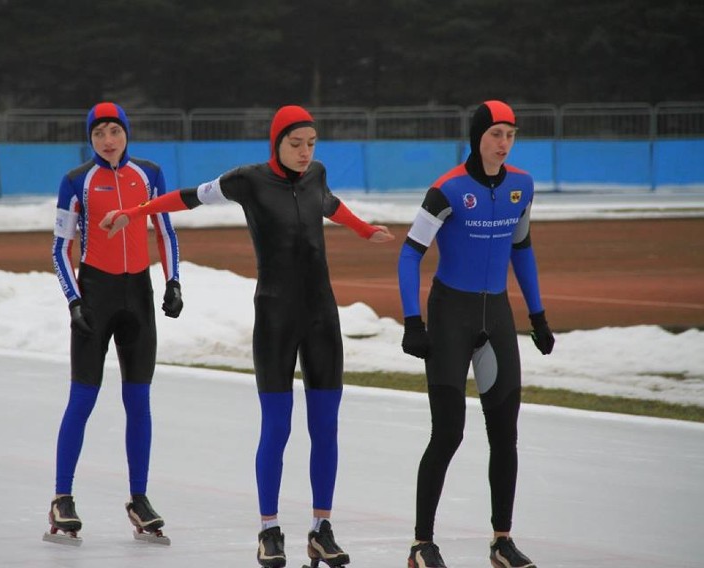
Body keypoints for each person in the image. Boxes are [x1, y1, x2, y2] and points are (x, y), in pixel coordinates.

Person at [100, 105, 394, 567]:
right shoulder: (247, 180)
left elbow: (330, 203)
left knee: (326, 427)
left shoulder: (316, 174)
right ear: (276, 142)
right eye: (295, 143)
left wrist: (363, 230)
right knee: (276, 427)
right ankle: (269, 530)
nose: (305, 152)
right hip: (276, 316)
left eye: (311, 143)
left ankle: (321, 528)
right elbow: (187, 197)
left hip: (322, 315)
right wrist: (134, 212)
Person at [397, 100, 555, 568]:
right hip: (451, 317)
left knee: (505, 434)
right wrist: (412, 322)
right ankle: (421, 544)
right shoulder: (447, 190)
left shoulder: (522, 187)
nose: (503, 144)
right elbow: (410, 255)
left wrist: (539, 316)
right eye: (495, 135)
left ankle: (501, 541)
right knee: (447, 433)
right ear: (477, 137)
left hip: (498, 317)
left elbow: (522, 250)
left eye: (510, 134)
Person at [44, 101, 183, 544]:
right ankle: (62, 498)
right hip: (96, 298)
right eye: (100, 132)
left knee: (138, 402)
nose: (108, 140)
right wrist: (74, 301)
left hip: (137, 297)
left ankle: (138, 499)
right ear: (91, 138)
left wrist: (173, 282)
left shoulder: (149, 174)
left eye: (115, 131)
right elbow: (60, 247)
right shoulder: (76, 181)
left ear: (127, 134)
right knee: (82, 400)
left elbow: (165, 232)